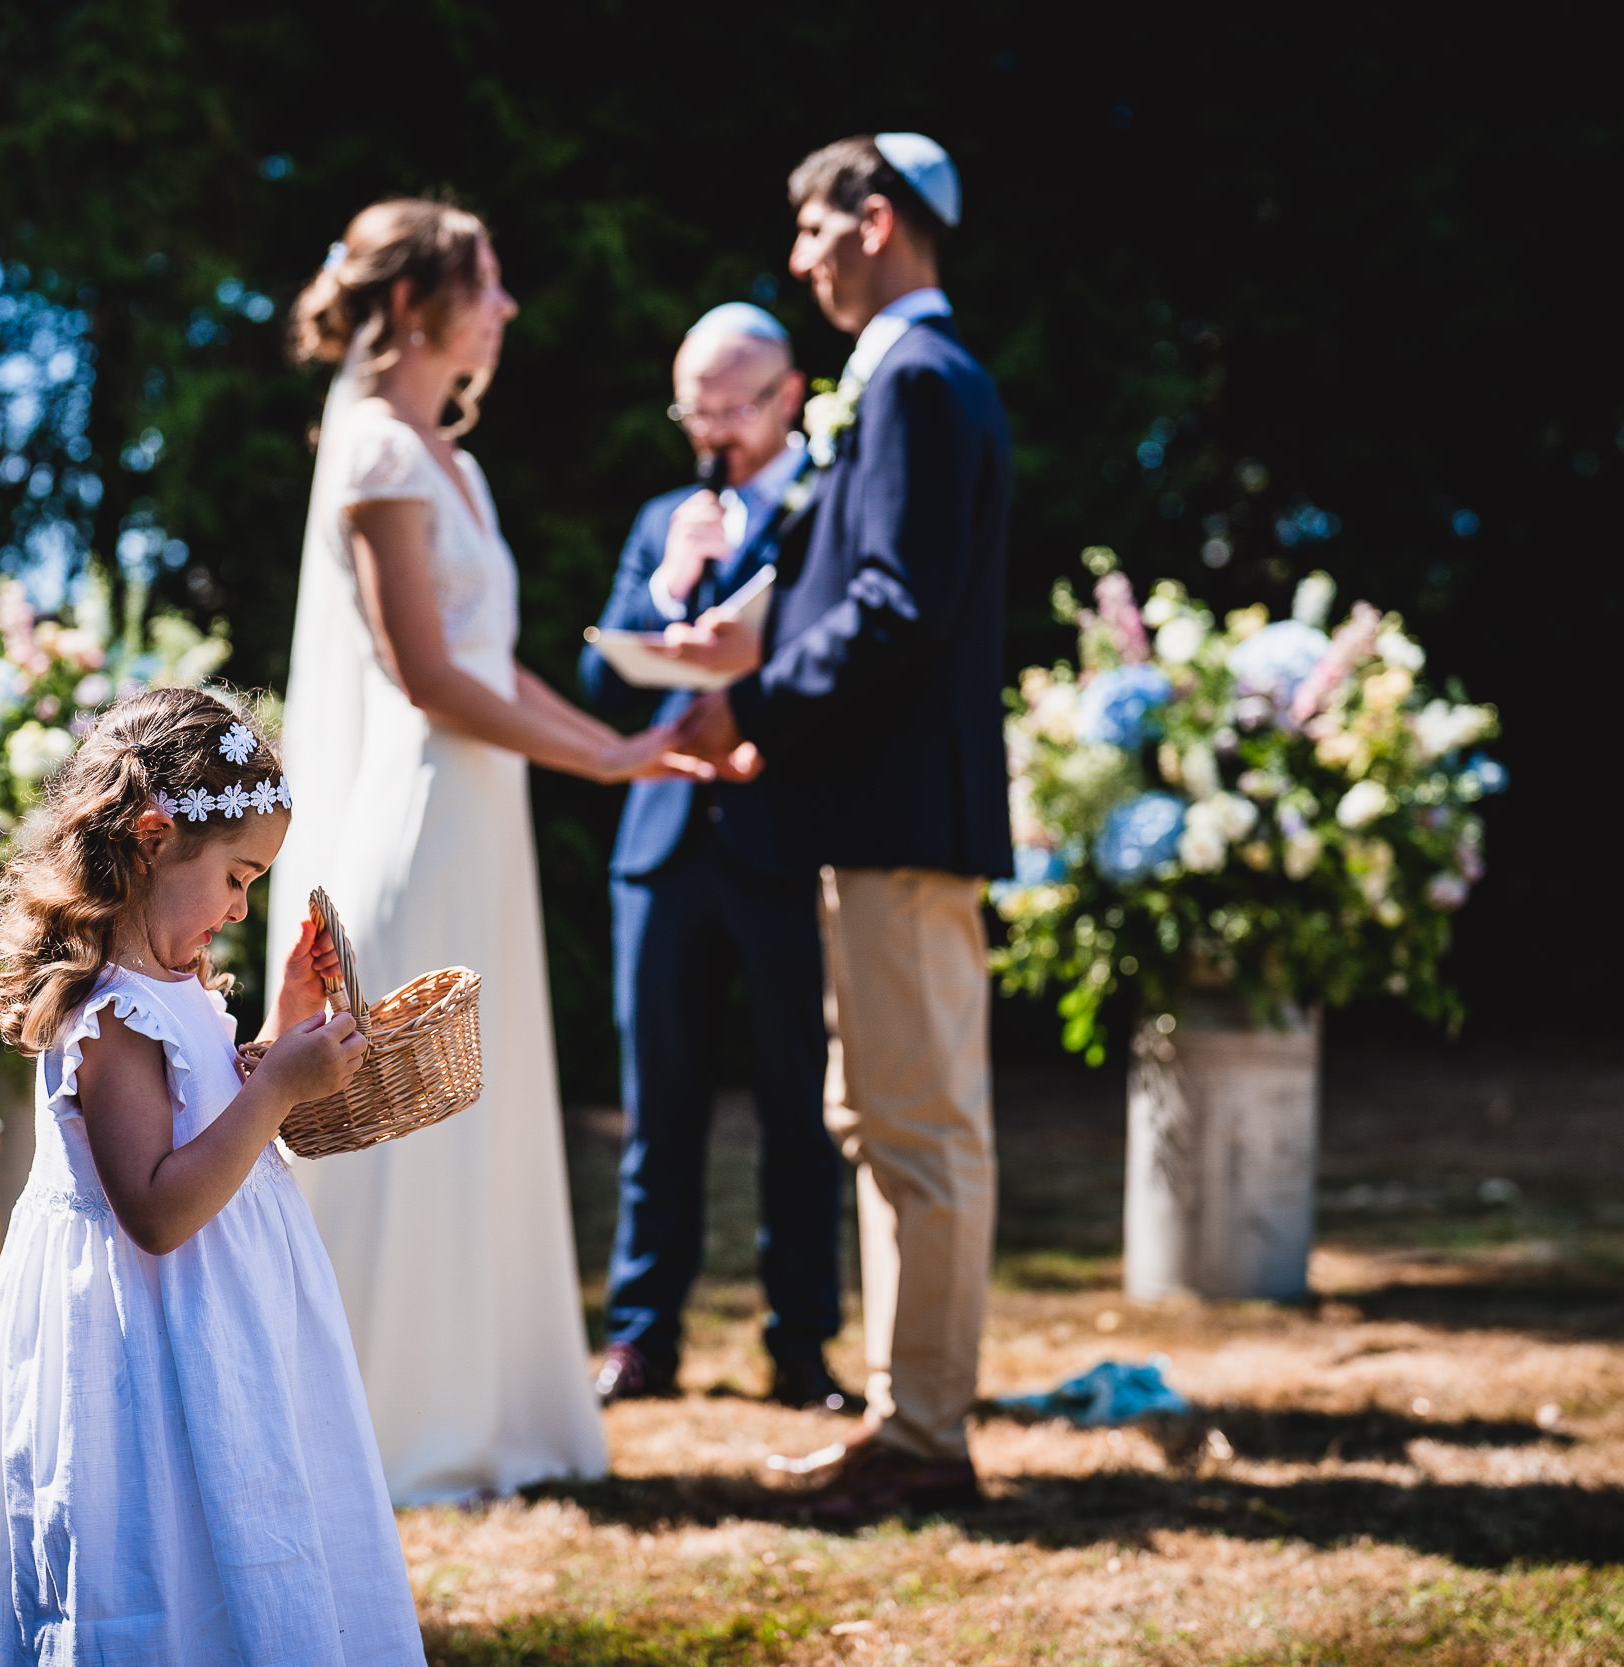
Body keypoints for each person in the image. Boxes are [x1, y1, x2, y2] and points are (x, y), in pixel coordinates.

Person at [267, 199, 677, 1504]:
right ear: (415, 309)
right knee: (399, 1109)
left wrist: (619, 742)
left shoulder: (455, 460)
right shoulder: (379, 452)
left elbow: (499, 662)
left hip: (483, 817)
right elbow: (429, 676)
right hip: (425, 813)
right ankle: (374, 1413)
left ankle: (486, 1403)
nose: (507, 307)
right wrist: (601, 760)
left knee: (479, 1107)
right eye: (486, 283)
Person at [671, 134, 1015, 1516]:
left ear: (877, 223)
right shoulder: (909, 381)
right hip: (876, 811)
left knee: (920, 1127)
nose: (803, 256)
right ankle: (904, 1415)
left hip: (903, 816)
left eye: (816, 229)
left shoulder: (922, 382)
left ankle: (927, 1434)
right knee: (880, 1113)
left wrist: (748, 702)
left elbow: (896, 607)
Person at [0, 686, 421, 1665]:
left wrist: (282, 1029)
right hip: (137, 1340)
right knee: (152, 1553)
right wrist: (279, 1089)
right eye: (238, 875)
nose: (242, 905)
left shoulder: (172, 989)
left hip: (214, 1325)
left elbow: (211, 1126)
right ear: (155, 837)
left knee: (235, 1538)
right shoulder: (107, 1017)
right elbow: (159, 1210)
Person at [577, 303, 852, 1413]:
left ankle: (801, 1343)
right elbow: (602, 684)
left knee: (798, 1103)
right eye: (693, 407)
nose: (710, 429)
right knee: (660, 1108)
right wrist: (664, 586)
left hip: (782, 833)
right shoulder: (662, 517)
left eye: (729, 406)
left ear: (786, 395)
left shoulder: (826, 504)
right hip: (661, 848)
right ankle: (642, 1336)